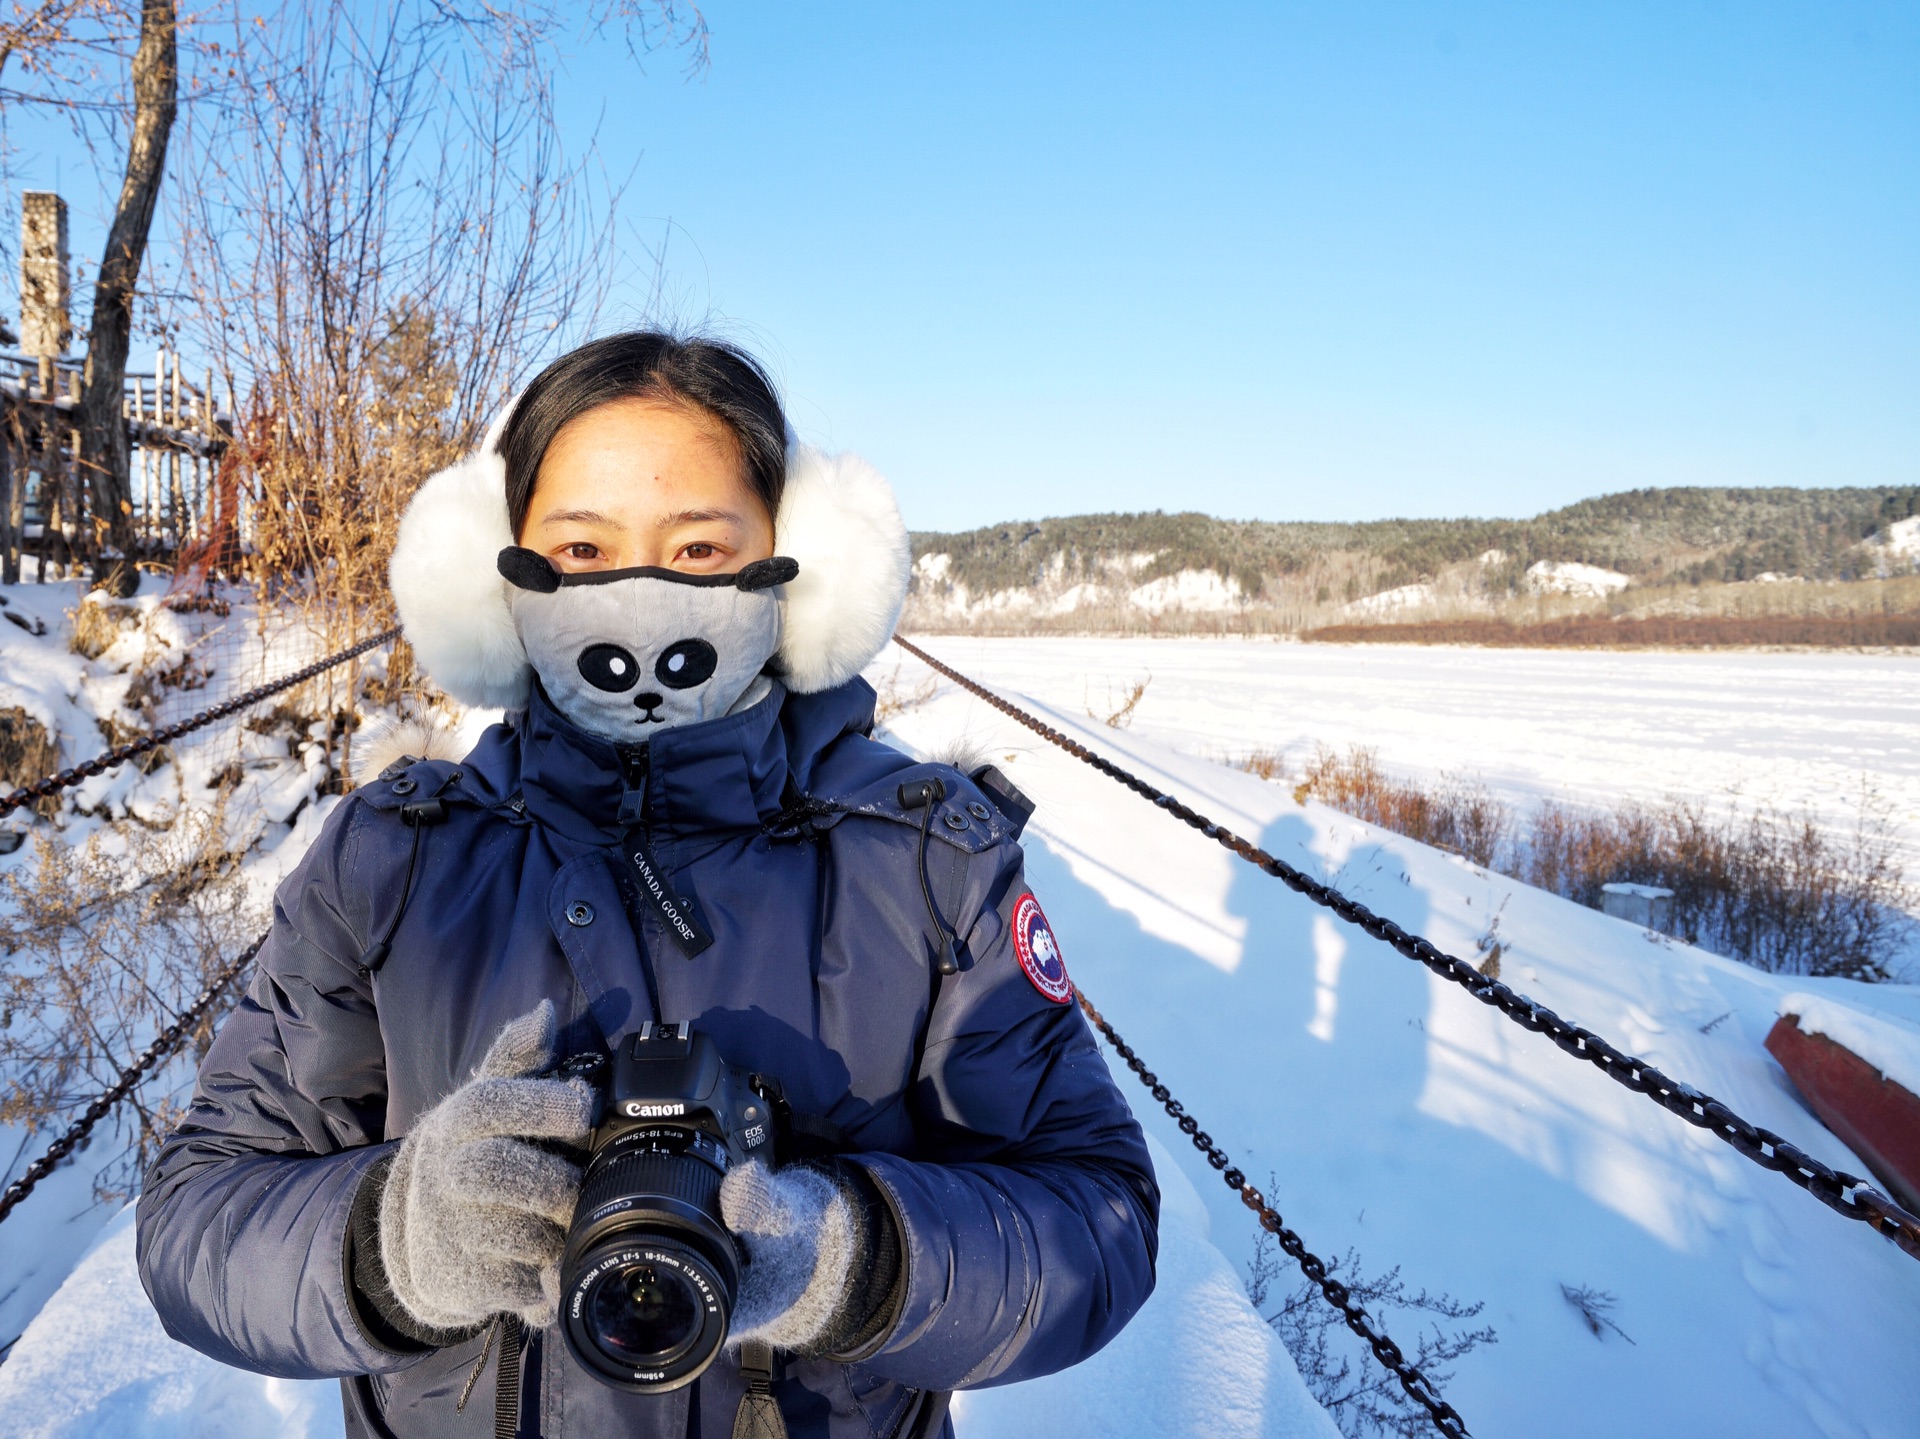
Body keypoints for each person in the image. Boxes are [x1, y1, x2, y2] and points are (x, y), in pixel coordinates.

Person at [136, 332, 1159, 1439]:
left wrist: (866, 1258)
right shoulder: (391, 860)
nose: (638, 598)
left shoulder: (927, 862)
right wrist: (392, 1242)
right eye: (579, 547)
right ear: (492, 575)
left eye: (701, 549)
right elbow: (195, 1220)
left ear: (800, 563)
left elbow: (1098, 1219)